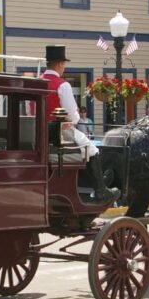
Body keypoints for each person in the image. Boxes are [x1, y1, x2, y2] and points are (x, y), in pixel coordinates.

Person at [41, 45, 119, 204]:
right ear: (59, 64)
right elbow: (72, 114)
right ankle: (100, 190)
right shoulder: (62, 85)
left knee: (85, 146)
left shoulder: (38, 81)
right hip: (60, 132)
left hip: (40, 132)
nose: (64, 68)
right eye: (64, 64)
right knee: (92, 149)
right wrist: (74, 119)